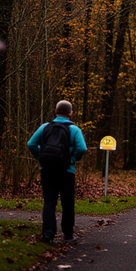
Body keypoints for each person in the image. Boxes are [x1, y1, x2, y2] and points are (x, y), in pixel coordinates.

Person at [27, 100, 87, 243]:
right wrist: (73, 159)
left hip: (47, 170)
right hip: (67, 170)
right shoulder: (74, 130)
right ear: (69, 114)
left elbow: (31, 144)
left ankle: (48, 234)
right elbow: (82, 149)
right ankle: (68, 234)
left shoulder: (45, 127)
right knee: (67, 202)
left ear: (55, 111)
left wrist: (40, 157)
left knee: (49, 202)